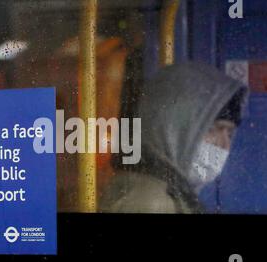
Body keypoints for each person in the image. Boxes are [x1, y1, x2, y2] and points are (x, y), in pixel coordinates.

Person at [99, 62, 248, 214]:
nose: (225, 145)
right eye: (211, 130)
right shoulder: (150, 201)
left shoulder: (169, 191)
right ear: (173, 127)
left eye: (229, 133)